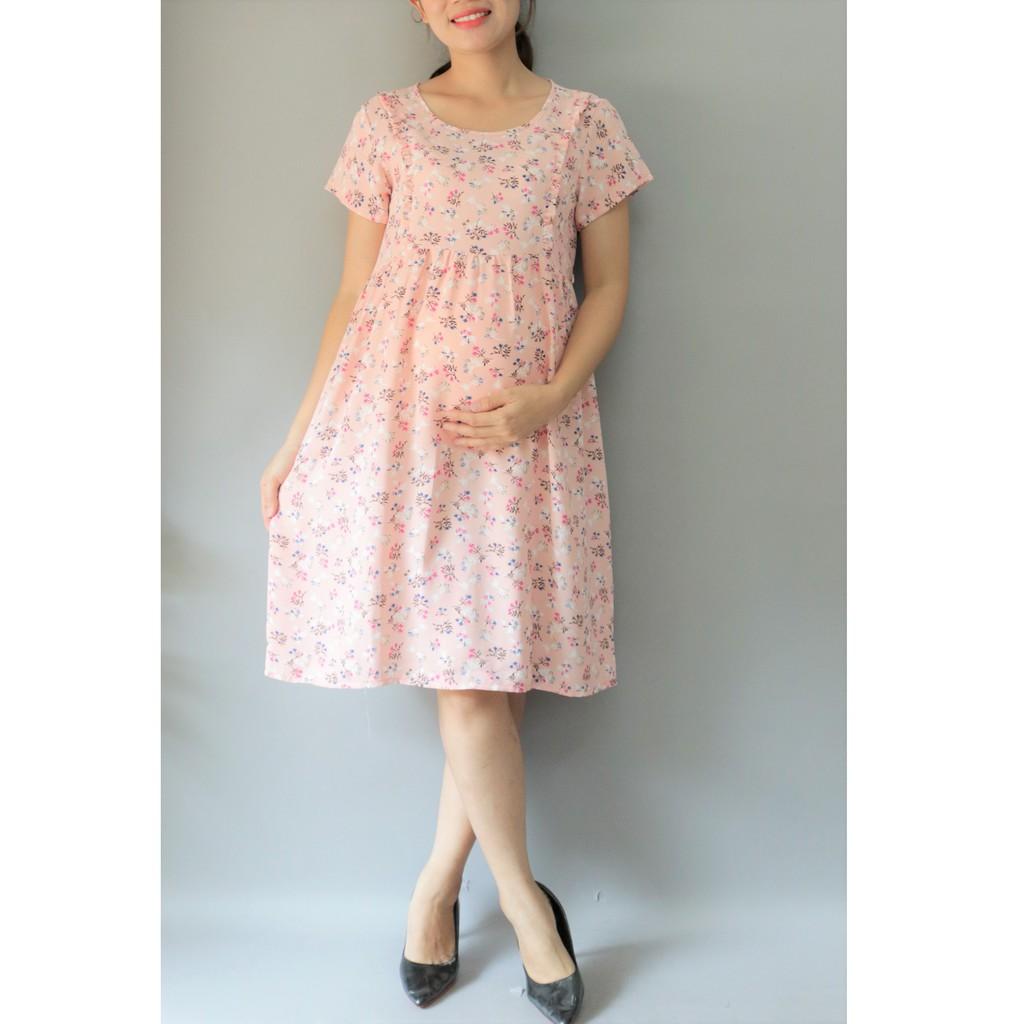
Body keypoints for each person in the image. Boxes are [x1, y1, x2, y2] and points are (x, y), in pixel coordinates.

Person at [259, 2, 653, 1020]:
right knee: (471, 682)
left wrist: (549, 399)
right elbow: (353, 294)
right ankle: (525, 906)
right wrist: (297, 441)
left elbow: (608, 286)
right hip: (403, 435)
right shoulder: (387, 121)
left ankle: (435, 887)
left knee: (491, 680)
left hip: (528, 439)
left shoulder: (586, 124)